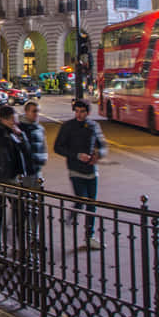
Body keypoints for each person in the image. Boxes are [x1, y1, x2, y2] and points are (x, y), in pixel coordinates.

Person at [53, 99, 107, 250]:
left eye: (82, 111)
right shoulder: (68, 126)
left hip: (91, 171)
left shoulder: (93, 126)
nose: (79, 114)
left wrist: (99, 155)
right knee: (81, 199)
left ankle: (89, 236)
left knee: (92, 204)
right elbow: (58, 147)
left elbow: (102, 145)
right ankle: (73, 213)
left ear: (88, 112)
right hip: (75, 170)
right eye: (76, 111)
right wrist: (76, 155)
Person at [0, 105, 31, 250]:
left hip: (14, 179)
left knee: (21, 211)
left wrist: (21, 136)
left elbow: (27, 153)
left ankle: (21, 244)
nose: (17, 120)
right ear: (6, 119)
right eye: (14, 117)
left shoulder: (15, 134)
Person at [18, 100, 47, 181]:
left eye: (38, 111)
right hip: (24, 173)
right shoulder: (19, 129)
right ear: (26, 112)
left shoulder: (40, 128)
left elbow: (43, 146)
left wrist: (43, 158)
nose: (36, 114)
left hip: (37, 171)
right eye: (34, 111)